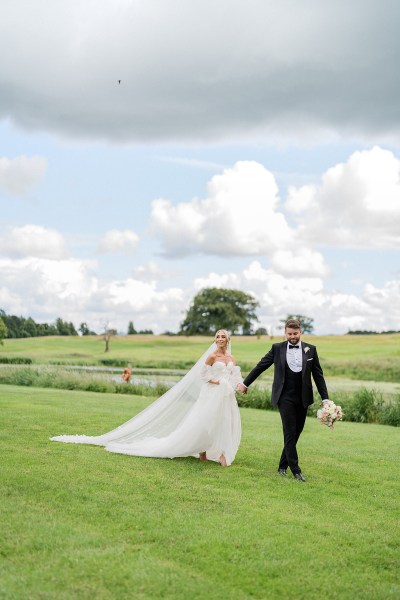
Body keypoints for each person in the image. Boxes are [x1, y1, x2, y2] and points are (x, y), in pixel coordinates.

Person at [51, 330, 243, 467]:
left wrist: (240, 386)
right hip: (211, 394)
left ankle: (221, 453)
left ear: (228, 340)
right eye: (217, 336)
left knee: (224, 422)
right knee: (204, 421)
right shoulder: (211, 357)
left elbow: (234, 376)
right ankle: (203, 450)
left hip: (225, 397)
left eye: (223, 337)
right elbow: (202, 375)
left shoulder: (232, 359)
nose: (219, 339)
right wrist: (217, 382)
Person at [237, 318, 329, 481]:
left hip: (303, 397)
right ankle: (296, 470)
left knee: (296, 433)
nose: (292, 336)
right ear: (285, 333)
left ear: (300, 332)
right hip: (284, 396)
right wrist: (245, 383)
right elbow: (261, 366)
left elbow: (318, 375)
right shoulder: (277, 348)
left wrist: (325, 399)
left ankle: (282, 466)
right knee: (289, 431)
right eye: (289, 334)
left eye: (295, 333)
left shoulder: (311, 350)